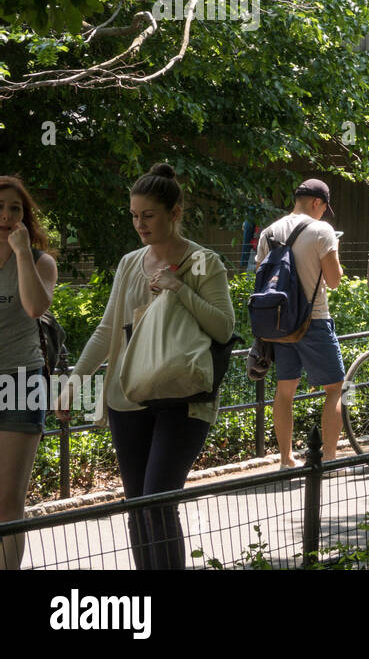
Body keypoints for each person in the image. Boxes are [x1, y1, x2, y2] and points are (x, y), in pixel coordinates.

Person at [64, 164, 235, 569]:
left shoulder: (201, 262)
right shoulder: (129, 263)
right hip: (128, 396)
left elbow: (224, 328)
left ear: (175, 212)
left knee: (158, 501)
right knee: (139, 505)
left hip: (184, 396)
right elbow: (107, 331)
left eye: (149, 215)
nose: (139, 224)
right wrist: (74, 382)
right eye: (134, 215)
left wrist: (177, 289)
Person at [257, 179, 345, 469]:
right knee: (334, 388)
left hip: (280, 323)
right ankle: (329, 459)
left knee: (285, 390)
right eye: (324, 209)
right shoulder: (322, 231)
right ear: (317, 203)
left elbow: (262, 278)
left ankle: (286, 460)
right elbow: (333, 281)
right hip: (313, 319)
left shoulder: (269, 232)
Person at [0, 177, 58, 570]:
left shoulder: (40, 261)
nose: (6, 216)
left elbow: (36, 308)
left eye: (15, 209)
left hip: (22, 382)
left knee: (7, 502)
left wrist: (21, 253)